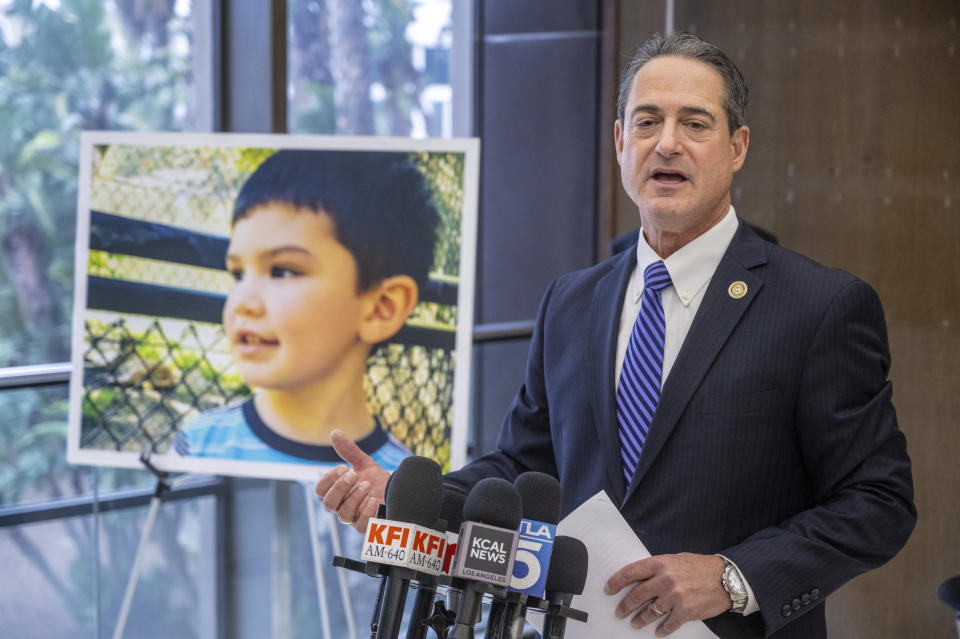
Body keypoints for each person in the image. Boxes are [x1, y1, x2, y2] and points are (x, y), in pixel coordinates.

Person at [316, 32, 916, 638]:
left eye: (696, 124)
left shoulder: (820, 306)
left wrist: (733, 576)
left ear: (737, 148)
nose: (668, 143)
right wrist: (407, 498)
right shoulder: (571, 302)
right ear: (620, 140)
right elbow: (527, 464)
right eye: (647, 120)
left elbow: (879, 502)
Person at [176, 149, 439, 472]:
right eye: (238, 274)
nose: (243, 302)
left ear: (381, 309)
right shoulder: (197, 445)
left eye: (283, 271)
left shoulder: (401, 484)